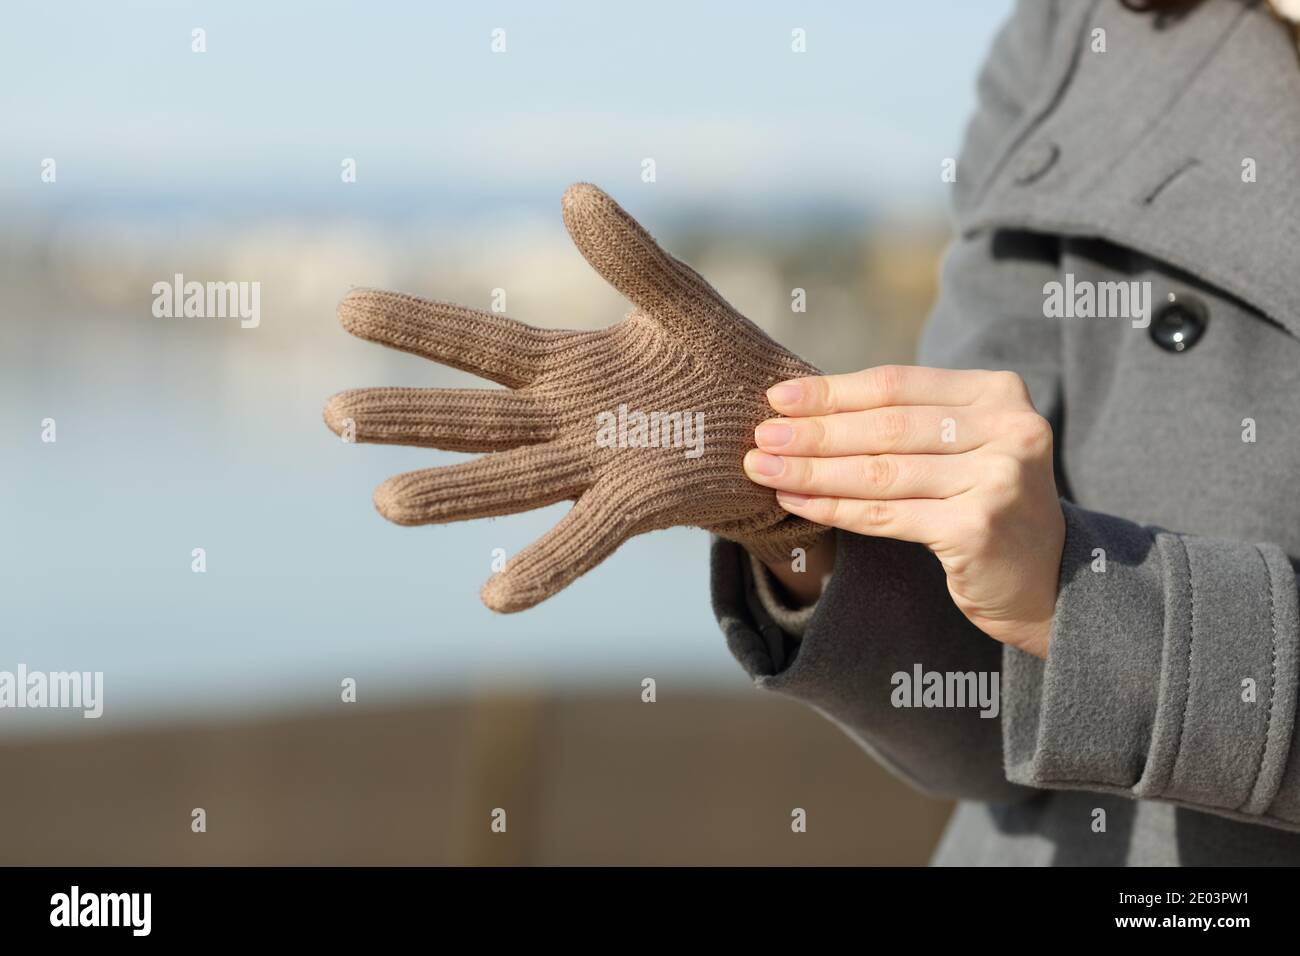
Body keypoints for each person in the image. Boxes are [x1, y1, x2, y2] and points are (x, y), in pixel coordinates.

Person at [326, 0, 1300, 865]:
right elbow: (986, 726)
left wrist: (1080, 598)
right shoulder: (1083, 34)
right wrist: (792, 509)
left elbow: (1058, 602)